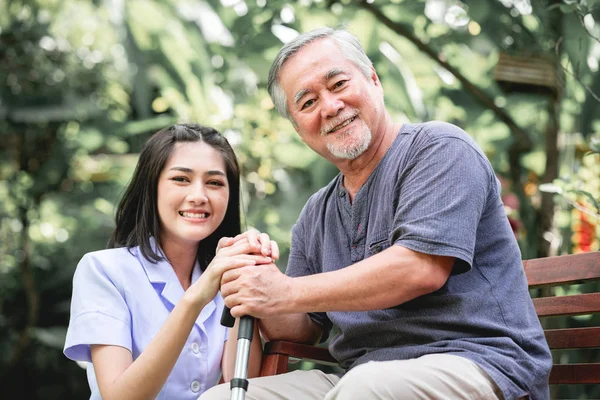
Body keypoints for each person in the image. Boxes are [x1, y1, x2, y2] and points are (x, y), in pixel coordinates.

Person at [201, 27, 552, 400]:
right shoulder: (316, 212)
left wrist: (285, 290)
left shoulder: (440, 148)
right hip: (362, 378)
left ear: (373, 80)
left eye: (338, 84)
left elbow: (421, 269)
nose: (330, 107)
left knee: (364, 389)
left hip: (480, 364)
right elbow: (304, 328)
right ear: (299, 130)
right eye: (307, 103)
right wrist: (254, 277)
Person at [64, 124, 277, 400]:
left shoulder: (225, 275)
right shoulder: (103, 271)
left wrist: (243, 274)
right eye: (181, 179)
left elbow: (240, 387)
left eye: (214, 183)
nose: (199, 196)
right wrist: (195, 298)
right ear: (150, 187)